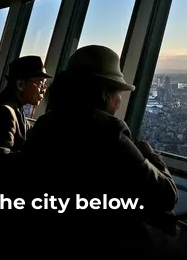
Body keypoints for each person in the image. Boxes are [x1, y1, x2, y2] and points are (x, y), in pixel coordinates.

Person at [21, 45, 178, 250]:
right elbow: (166, 195)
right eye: (118, 92)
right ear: (104, 93)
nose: (120, 100)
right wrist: (150, 154)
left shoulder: (45, 125)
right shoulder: (110, 133)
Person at [0, 55, 51, 159]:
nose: (43, 90)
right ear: (21, 84)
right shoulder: (4, 112)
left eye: (45, 84)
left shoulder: (15, 107)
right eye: (40, 83)